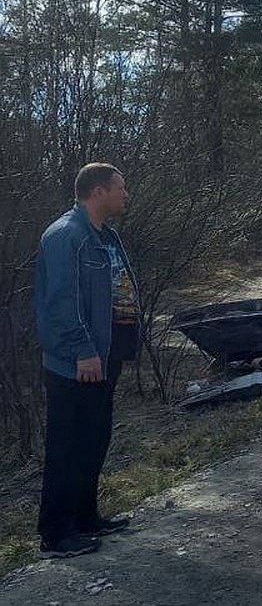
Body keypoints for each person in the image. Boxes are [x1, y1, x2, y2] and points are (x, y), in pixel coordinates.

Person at [35, 163, 138, 559]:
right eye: (120, 187)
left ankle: (84, 517)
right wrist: (83, 350)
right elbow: (61, 303)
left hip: (103, 358)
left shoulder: (104, 235)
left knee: (94, 439)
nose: (125, 195)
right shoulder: (67, 236)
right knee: (67, 443)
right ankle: (55, 533)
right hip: (76, 362)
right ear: (98, 192)